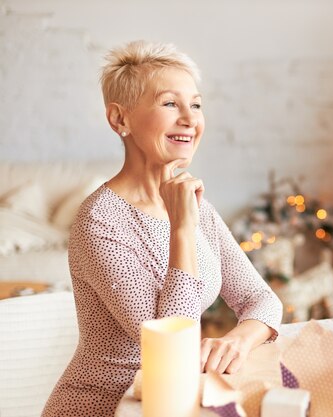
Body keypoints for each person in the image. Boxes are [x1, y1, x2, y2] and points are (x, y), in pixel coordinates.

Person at [43, 40, 283, 416]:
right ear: (119, 119)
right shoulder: (99, 221)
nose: (190, 118)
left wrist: (237, 340)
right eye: (170, 103)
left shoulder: (195, 205)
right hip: (106, 406)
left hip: (177, 402)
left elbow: (263, 300)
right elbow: (171, 347)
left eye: (197, 104)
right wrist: (182, 229)